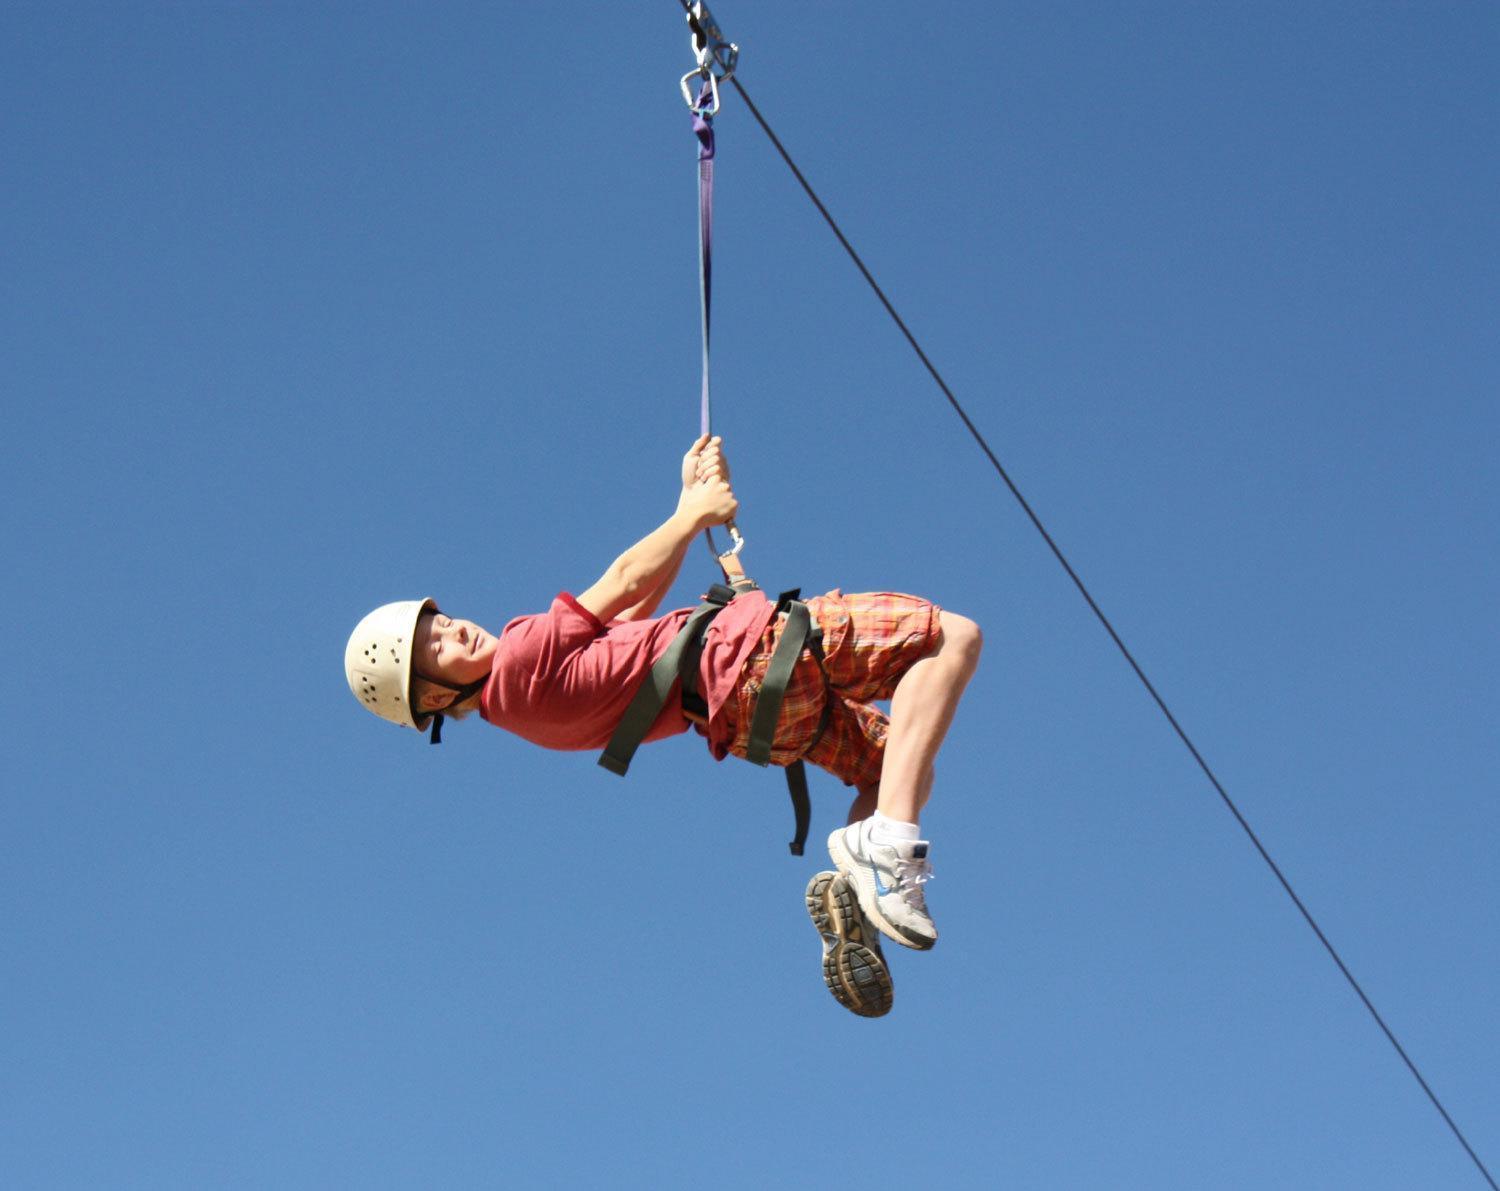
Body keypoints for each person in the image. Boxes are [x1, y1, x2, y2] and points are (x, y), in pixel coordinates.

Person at [344, 435, 982, 1016]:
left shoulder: (526, 714)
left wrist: (688, 502)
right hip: (757, 657)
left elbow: (637, 615)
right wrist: (692, 514)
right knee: (949, 636)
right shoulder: (518, 658)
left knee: (896, 762)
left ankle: (860, 899)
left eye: (442, 619)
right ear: (433, 694)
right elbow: (620, 581)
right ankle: (890, 851)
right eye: (436, 648)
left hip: (759, 721)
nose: (454, 628)